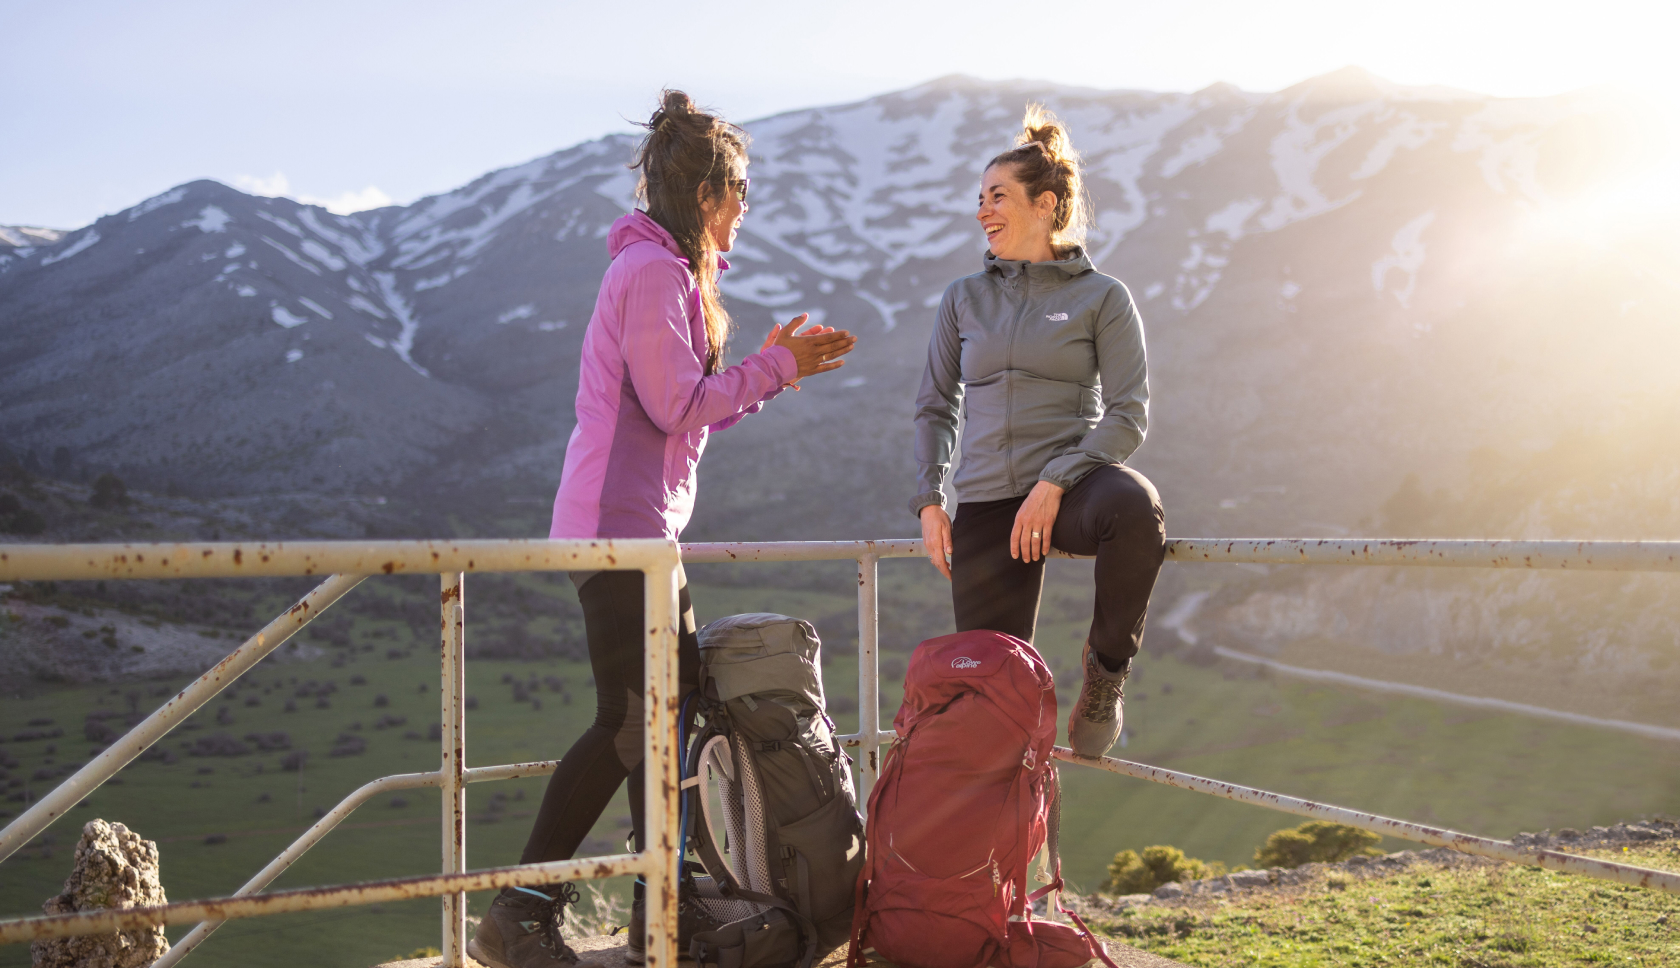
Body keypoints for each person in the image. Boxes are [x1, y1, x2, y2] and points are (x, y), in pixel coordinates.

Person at [469, 90, 857, 968]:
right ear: (708, 190)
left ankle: (660, 909)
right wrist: (773, 366)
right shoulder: (650, 275)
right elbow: (678, 403)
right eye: (743, 189)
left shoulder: (669, 275)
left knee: (660, 717)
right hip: (616, 527)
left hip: (640, 529)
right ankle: (520, 912)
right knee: (630, 716)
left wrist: (771, 372)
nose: (748, 206)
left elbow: (688, 417)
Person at [911, 105, 1165, 761]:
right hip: (991, 502)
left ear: (1045, 204)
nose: (982, 211)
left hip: (1074, 489)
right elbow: (937, 404)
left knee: (1136, 509)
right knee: (993, 704)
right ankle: (997, 854)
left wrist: (1057, 481)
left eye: (998, 197)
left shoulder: (1102, 297)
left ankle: (1105, 678)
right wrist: (931, 499)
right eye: (980, 198)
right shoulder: (964, 297)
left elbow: (1129, 412)